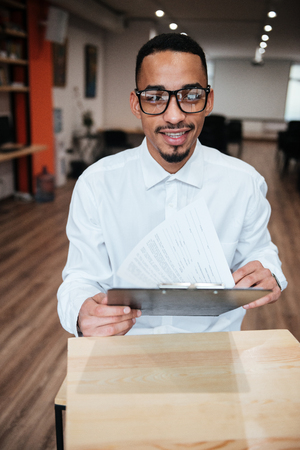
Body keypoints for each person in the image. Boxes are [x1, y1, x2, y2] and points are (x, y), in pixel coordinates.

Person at [57, 33, 287, 337]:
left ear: (209, 101)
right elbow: (80, 277)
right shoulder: (96, 184)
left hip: (215, 351)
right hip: (122, 348)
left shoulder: (244, 183)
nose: (175, 115)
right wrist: (80, 311)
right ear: (136, 104)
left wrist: (269, 272)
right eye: (155, 97)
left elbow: (262, 253)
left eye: (191, 95)